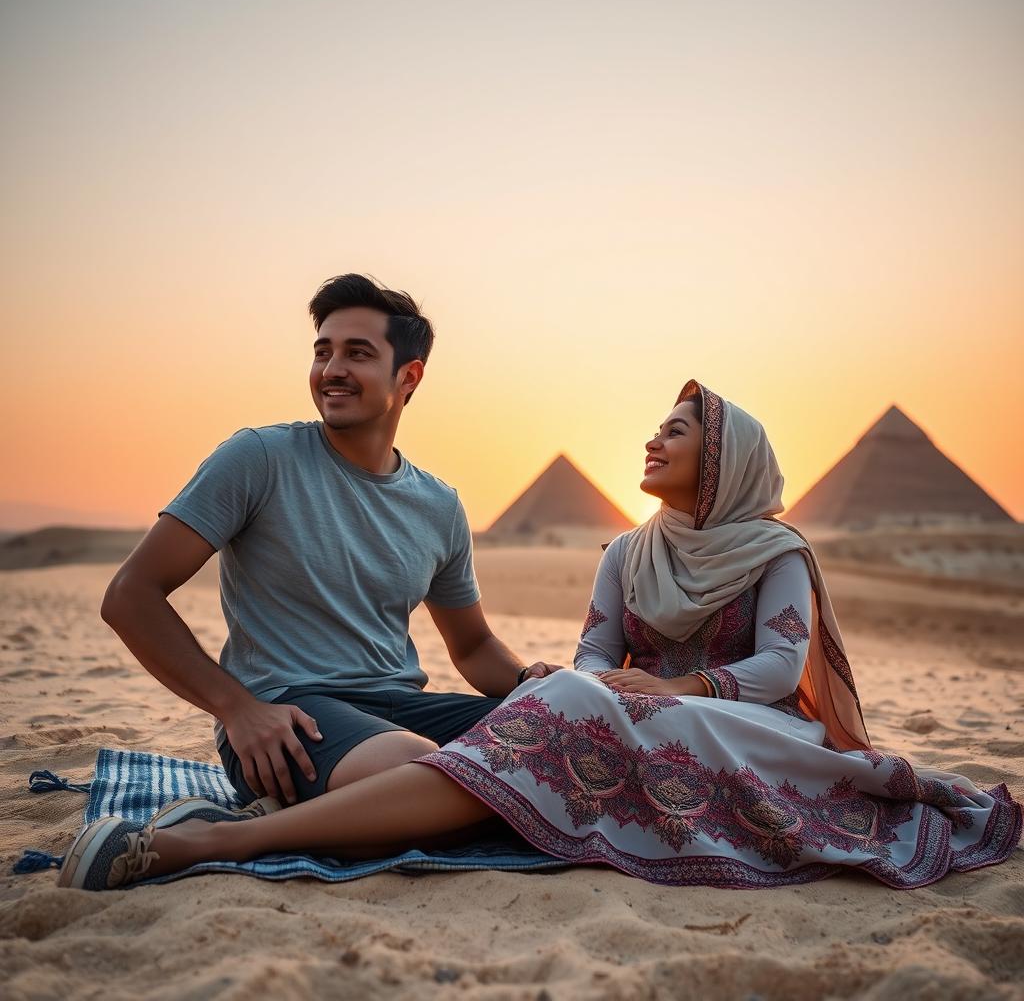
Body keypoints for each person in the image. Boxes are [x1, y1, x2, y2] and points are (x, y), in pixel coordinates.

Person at [59, 379, 1022, 891]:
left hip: (747, 725)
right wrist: (592, 688)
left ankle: (218, 845)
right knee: (557, 697)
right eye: (654, 427)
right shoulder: (628, 553)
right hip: (628, 716)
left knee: (551, 704)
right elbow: (596, 654)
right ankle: (244, 835)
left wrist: (666, 692)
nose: (653, 441)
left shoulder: (775, 553)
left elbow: (777, 667)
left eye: (677, 434)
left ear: (723, 461)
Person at [96, 272, 558, 816]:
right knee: (421, 771)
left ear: (408, 376)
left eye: (357, 353)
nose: (332, 370)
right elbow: (130, 595)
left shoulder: (439, 505)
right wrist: (237, 710)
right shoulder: (259, 458)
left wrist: (528, 681)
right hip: (283, 719)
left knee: (571, 739)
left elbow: (474, 647)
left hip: (401, 710)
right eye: (323, 352)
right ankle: (232, 835)